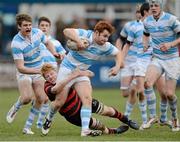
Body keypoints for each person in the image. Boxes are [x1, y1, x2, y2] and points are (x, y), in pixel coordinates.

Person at [42, 20, 123, 136]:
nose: (106, 39)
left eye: (108, 37)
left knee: (87, 99)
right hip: (67, 69)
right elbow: (66, 31)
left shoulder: (106, 46)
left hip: (81, 72)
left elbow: (118, 53)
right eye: (104, 36)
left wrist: (117, 66)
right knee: (59, 102)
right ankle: (49, 118)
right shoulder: (86, 34)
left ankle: (85, 130)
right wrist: (78, 41)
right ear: (96, 33)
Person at [41, 63, 139, 136]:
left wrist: (82, 73)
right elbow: (55, 90)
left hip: (83, 103)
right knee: (100, 126)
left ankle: (127, 120)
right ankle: (114, 131)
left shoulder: (64, 75)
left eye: (51, 74)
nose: (50, 77)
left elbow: (91, 74)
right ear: (45, 79)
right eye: (47, 76)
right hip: (72, 115)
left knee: (108, 111)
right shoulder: (47, 86)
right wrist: (73, 75)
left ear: (56, 72)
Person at [6, 13, 62, 134]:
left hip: (38, 70)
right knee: (26, 98)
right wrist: (39, 71)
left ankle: (27, 128)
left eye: (30, 25)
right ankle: (15, 108)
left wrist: (54, 53)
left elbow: (48, 43)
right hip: (25, 72)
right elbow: (21, 68)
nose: (28, 27)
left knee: (42, 98)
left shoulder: (37, 33)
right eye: (25, 25)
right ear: (19, 27)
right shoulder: (16, 43)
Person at [143, 0, 180, 132]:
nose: (153, 8)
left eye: (156, 5)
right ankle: (153, 116)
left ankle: (175, 118)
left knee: (169, 94)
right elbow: (146, 34)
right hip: (157, 58)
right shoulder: (147, 21)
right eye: (151, 6)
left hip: (172, 59)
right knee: (147, 83)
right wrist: (145, 44)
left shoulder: (171, 19)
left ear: (161, 7)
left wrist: (170, 44)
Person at [35, 16, 66, 129]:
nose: (44, 28)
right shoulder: (35, 41)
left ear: (49, 28)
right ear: (38, 27)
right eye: (42, 25)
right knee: (43, 98)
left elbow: (63, 54)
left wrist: (61, 55)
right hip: (40, 71)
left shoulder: (55, 42)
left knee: (47, 98)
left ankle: (39, 123)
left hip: (52, 73)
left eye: (46, 26)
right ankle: (38, 123)